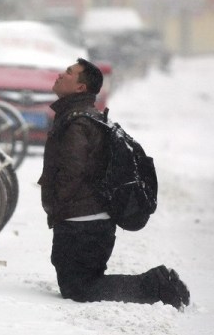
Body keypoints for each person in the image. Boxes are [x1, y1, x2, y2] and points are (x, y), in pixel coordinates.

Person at [37, 57, 190, 309]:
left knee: (81, 289)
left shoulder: (77, 123)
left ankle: (158, 285)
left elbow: (71, 172)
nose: (60, 75)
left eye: (69, 72)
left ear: (80, 88)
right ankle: (159, 283)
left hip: (82, 225)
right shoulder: (84, 117)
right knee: (77, 286)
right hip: (86, 222)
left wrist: (56, 205)